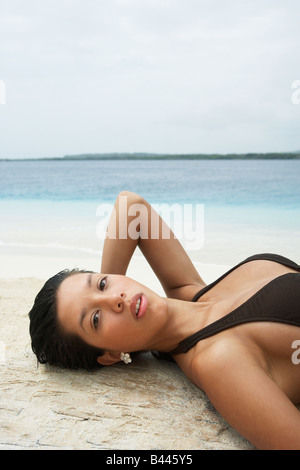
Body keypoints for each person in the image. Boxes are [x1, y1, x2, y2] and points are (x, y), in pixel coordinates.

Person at [28, 191, 300, 450]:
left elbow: (131, 207)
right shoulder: (218, 362)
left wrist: (113, 301)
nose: (115, 299)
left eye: (101, 283)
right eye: (96, 319)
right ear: (109, 355)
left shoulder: (189, 290)